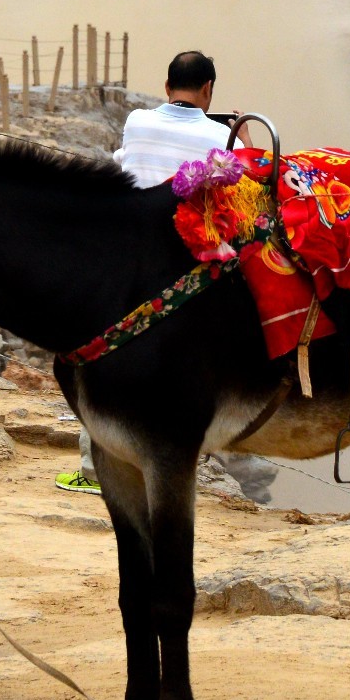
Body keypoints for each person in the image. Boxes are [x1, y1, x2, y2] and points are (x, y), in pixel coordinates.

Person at [56, 49, 231, 496]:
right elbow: (239, 183)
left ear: (168, 87)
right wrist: (238, 135)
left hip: (125, 263)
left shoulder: (136, 121)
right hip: (185, 275)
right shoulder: (221, 136)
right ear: (208, 89)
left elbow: (124, 162)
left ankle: (95, 471)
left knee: (103, 361)